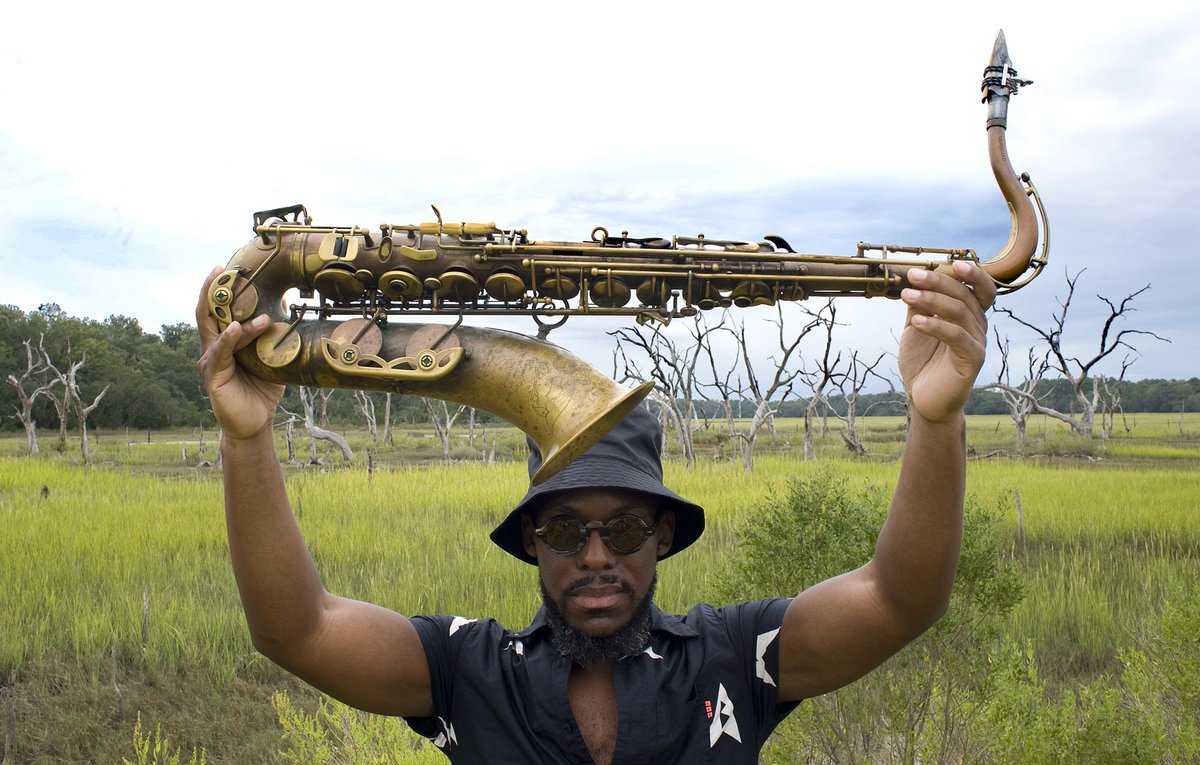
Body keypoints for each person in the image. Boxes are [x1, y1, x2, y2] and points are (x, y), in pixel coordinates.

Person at [196, 260, 995, 764]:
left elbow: (900, 598)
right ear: (532, 542)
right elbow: (295, 630)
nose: (597, 556)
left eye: (623, 528)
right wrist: (246, 439)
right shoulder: (469, 671)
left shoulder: (734, 658)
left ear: (663, 534)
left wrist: (934, 419)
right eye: (566, 530)